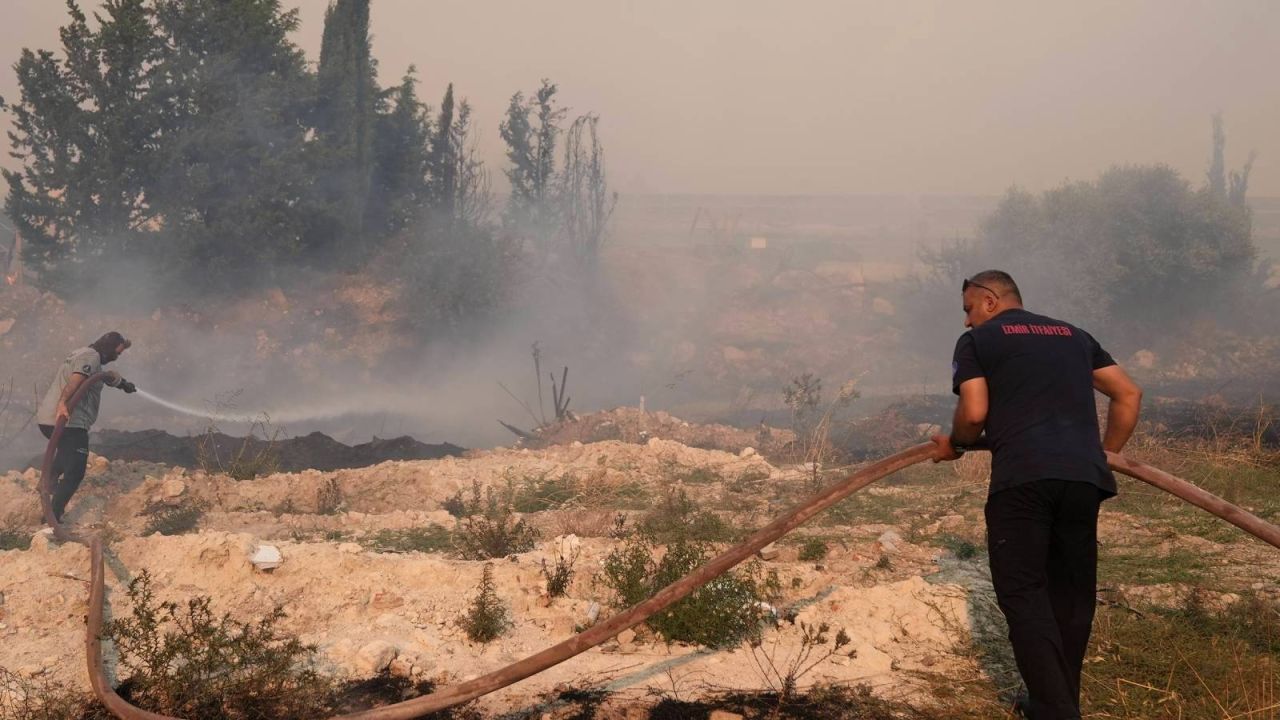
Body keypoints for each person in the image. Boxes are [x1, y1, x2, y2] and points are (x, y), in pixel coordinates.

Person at [930, 270, 1142, 720]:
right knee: (1071, 596)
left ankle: (1054, 710)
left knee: (1024, 593)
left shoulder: (978, 341)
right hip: (1083, 480)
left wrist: (957, 445)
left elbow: (974, 412)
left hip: (1022, 482)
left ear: (990, 301)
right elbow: (1127, 393)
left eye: (969, 308)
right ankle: (1060, 702)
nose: (967, 320)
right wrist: (1102, 456)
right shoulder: (1074, 335)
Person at [35, 331, 137, 524]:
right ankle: (53, 517)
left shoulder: (83, 353)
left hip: (48, 420)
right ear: (108, 347)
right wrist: (63, 404)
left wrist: (122, 384)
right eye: (116, 353)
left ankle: (48, 479)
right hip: (68, 421)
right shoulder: (91, 356)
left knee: (67, 453)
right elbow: (77, 380)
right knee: (76, 470)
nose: (116, 357)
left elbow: (98, 377)